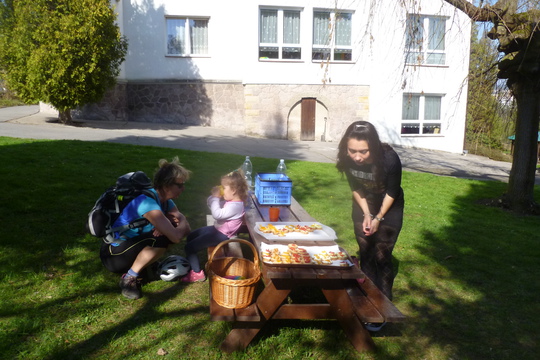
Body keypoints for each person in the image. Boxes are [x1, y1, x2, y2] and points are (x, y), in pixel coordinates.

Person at [100, 157, 192, 300]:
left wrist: (178, 222)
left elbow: (185, 228)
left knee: (168, 231)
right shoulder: (148, 203)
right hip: (113, 255)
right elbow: (177, 236)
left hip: (128, 246)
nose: (183, 188)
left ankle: (147, 265)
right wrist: (180, 222)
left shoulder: (165, 200)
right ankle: (129, 278)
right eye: (179, 185)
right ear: (167, 185)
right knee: (162, 238)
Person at [336, 120, 405, 306]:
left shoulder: (390, 159)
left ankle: (383, 304)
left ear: (373, 147)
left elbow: (392, 191)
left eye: (363, 151)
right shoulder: (347, 158)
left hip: (389, 207)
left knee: (382, 256)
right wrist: (367, 214)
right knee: (366, 252)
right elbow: (355, 187)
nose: (357, 157)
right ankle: (366, 301)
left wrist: (379, 217)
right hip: (364, 204)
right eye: (352, 151)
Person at [182, 169, 249, 283]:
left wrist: (215, 198)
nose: (222, 190)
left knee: (189, 247)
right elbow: (213, 206)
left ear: (233, 190)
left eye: (224, 187)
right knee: (191, 236)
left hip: (221, 235)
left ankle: (197, 274)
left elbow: (217, 214)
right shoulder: (233, 202)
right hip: (217, 229)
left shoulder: (235, 206)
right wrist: (213, 198)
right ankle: (191, 261)